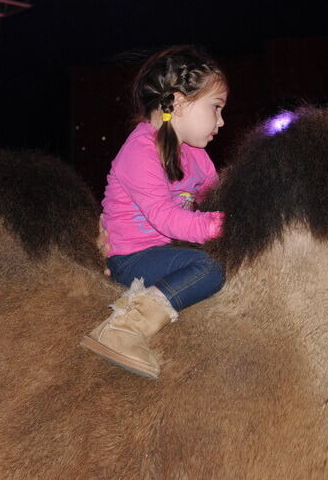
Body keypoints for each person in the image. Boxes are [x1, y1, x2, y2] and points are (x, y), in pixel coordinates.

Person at [80, 46, 227, 379]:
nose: (221, 121)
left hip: (167, 253)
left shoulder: (198, 157)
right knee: (211, 267)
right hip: (132, 258)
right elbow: (166, 218)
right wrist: (223, 226)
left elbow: (217, 201)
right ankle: (124, 328)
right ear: (176, 102)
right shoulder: (140, 150)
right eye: (215, 108)